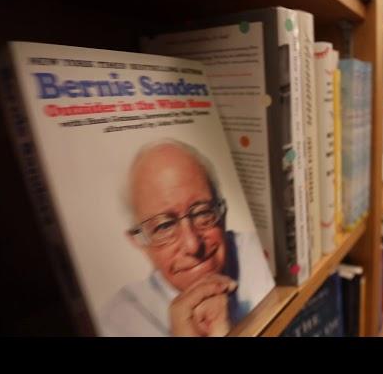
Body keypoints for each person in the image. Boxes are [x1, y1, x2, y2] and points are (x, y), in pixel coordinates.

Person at [99, 139, 274, 337]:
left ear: (222, 212)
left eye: (202, 213)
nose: (192, 245)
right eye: (164, 226)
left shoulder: (265, 256)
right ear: (138, 242)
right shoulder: (117, 324)